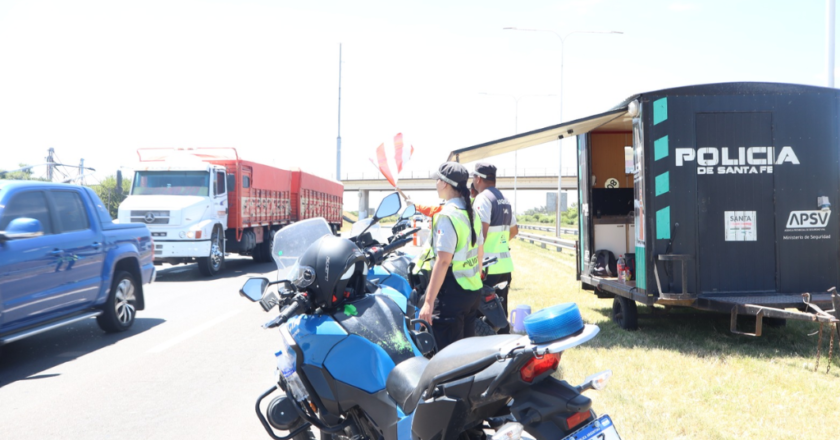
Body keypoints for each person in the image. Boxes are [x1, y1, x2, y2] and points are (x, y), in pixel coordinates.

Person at [415, 162, 484, 350]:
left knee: (447, 361)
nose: (436, 183)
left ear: (445, 184)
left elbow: (444, 261)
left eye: (437, 180)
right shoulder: (472, 214)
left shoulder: (448, 215)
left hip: (451, 296)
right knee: (466, 355)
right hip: (472, 292)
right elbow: (480, 252)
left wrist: (428, 303)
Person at [471, 162, 518, 334]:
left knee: (482, 317)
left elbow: (479, 235)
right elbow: (515, 230)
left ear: (478, 178)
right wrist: (500, 243)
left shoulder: (482, 198)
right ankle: (507, 352)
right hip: (504, 266)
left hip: (487, 267)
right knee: (500, 314)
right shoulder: (503, 199)